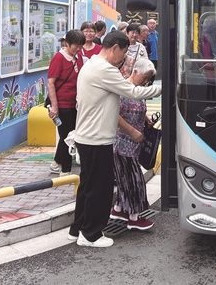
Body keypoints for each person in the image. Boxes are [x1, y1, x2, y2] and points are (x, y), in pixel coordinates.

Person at [69, 32, 162, 248]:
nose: (123, 59)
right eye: (123, 53)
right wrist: (164, 88)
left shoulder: (90, 64)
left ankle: (77, 229)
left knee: (87, 186)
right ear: (115, 48)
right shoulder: (105, 70)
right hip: (97, 138)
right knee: (99, 189)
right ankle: (91, 235)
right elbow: (133, 92)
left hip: (86, 136)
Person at [111, 58, 157, 231]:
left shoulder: (137, 89)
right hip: (123, 143)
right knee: (135, 180)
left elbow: (137, 107)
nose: (146, 81)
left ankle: (119, 209)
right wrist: (132, 131)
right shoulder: (123, 89)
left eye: (149, 79)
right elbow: (115, 115)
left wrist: (145, 118)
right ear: (135, 72)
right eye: (145, 77)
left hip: (132, 144)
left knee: (125, 179)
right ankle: (134, 217)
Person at [47, 29, 86, 176]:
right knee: (66, 137)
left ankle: (56, 162)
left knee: (72, 135)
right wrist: (55, 107)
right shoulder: (59, 58)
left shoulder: (78, 57)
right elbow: (51, 83)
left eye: (81, 46)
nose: (78, 49)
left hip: (75, 103)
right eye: (76, 46)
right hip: (62, 104)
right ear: (67, 44)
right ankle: (65, 171)